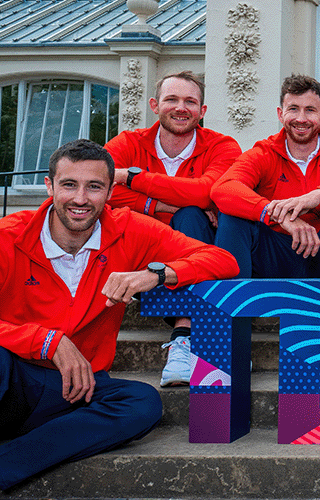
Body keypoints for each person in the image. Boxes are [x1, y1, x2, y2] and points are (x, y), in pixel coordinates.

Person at [0, 139, 238, 498]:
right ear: (50, 187)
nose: (81, 198)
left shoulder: (131, 229)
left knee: (143, 402)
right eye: (69, 185)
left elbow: (223, 260)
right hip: (2, 391)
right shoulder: (0, 238)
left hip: (73, 393)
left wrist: (155, 274)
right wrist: (46, 341)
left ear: (110, 191)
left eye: (94, 187)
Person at [210, 74, 320, 337]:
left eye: (310, 110)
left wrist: (317, 195)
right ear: (280, 113)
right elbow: (223, 188)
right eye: (293, 109)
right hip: (273, 257)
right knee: (233, 215)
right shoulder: (264, 152)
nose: (301, 118)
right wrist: (276, 216)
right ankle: (233, 326)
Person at [105, 70, 243, 387]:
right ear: (155, 104)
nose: (181, 108)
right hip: (139, 252)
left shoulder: (222, 146)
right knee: (189, 211)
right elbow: (99, 187)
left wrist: (132, 178)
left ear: (202, 111)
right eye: (172, 99)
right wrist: (161, 206)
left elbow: (206, 191)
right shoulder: (127, 142)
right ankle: (203, 339)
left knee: (193, 214)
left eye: (190, 101)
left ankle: (184, 336)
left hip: (193, 251)